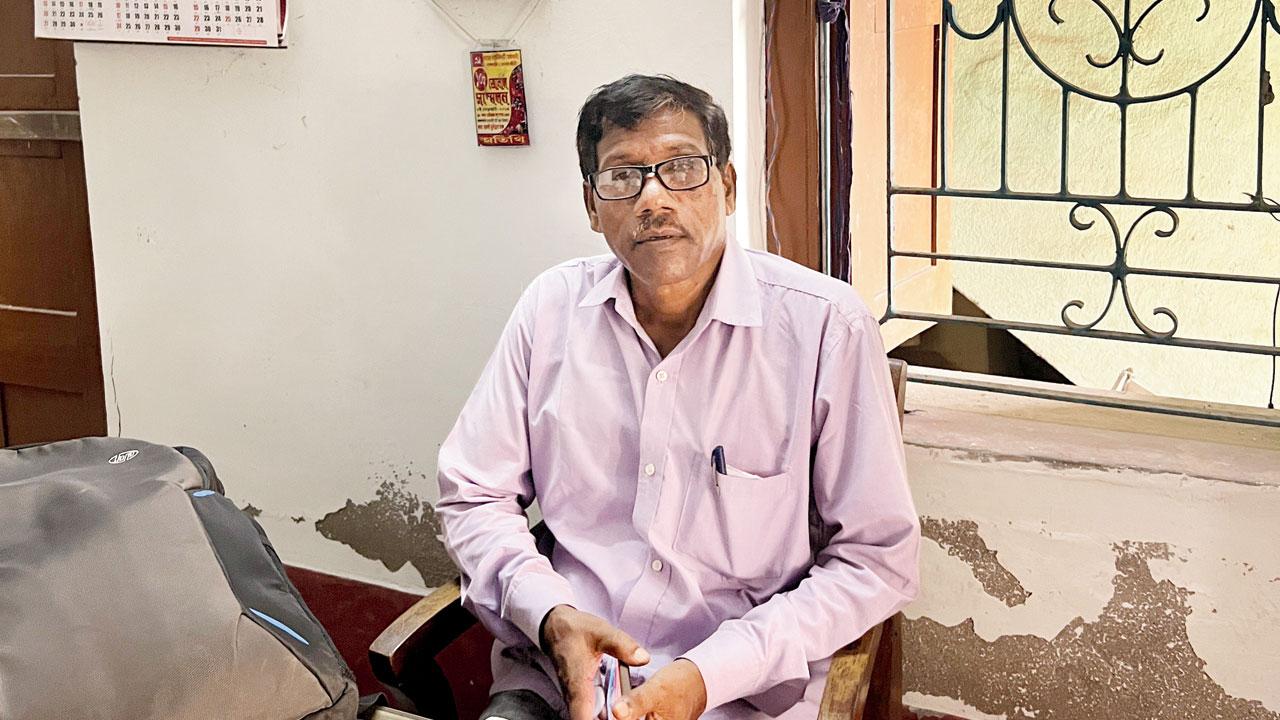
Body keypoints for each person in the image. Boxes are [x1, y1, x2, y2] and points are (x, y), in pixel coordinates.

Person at [437, 74, 919, 720]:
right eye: (623, 176)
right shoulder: (549, 312)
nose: (653, 198)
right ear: (590, 203)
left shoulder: (826, 329)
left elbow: (875, 559)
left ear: (727, 186)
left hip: (739, 700)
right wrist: (550, 614)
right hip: (556, 685)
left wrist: (706, 673)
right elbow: (472, 493)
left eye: (681, 169)